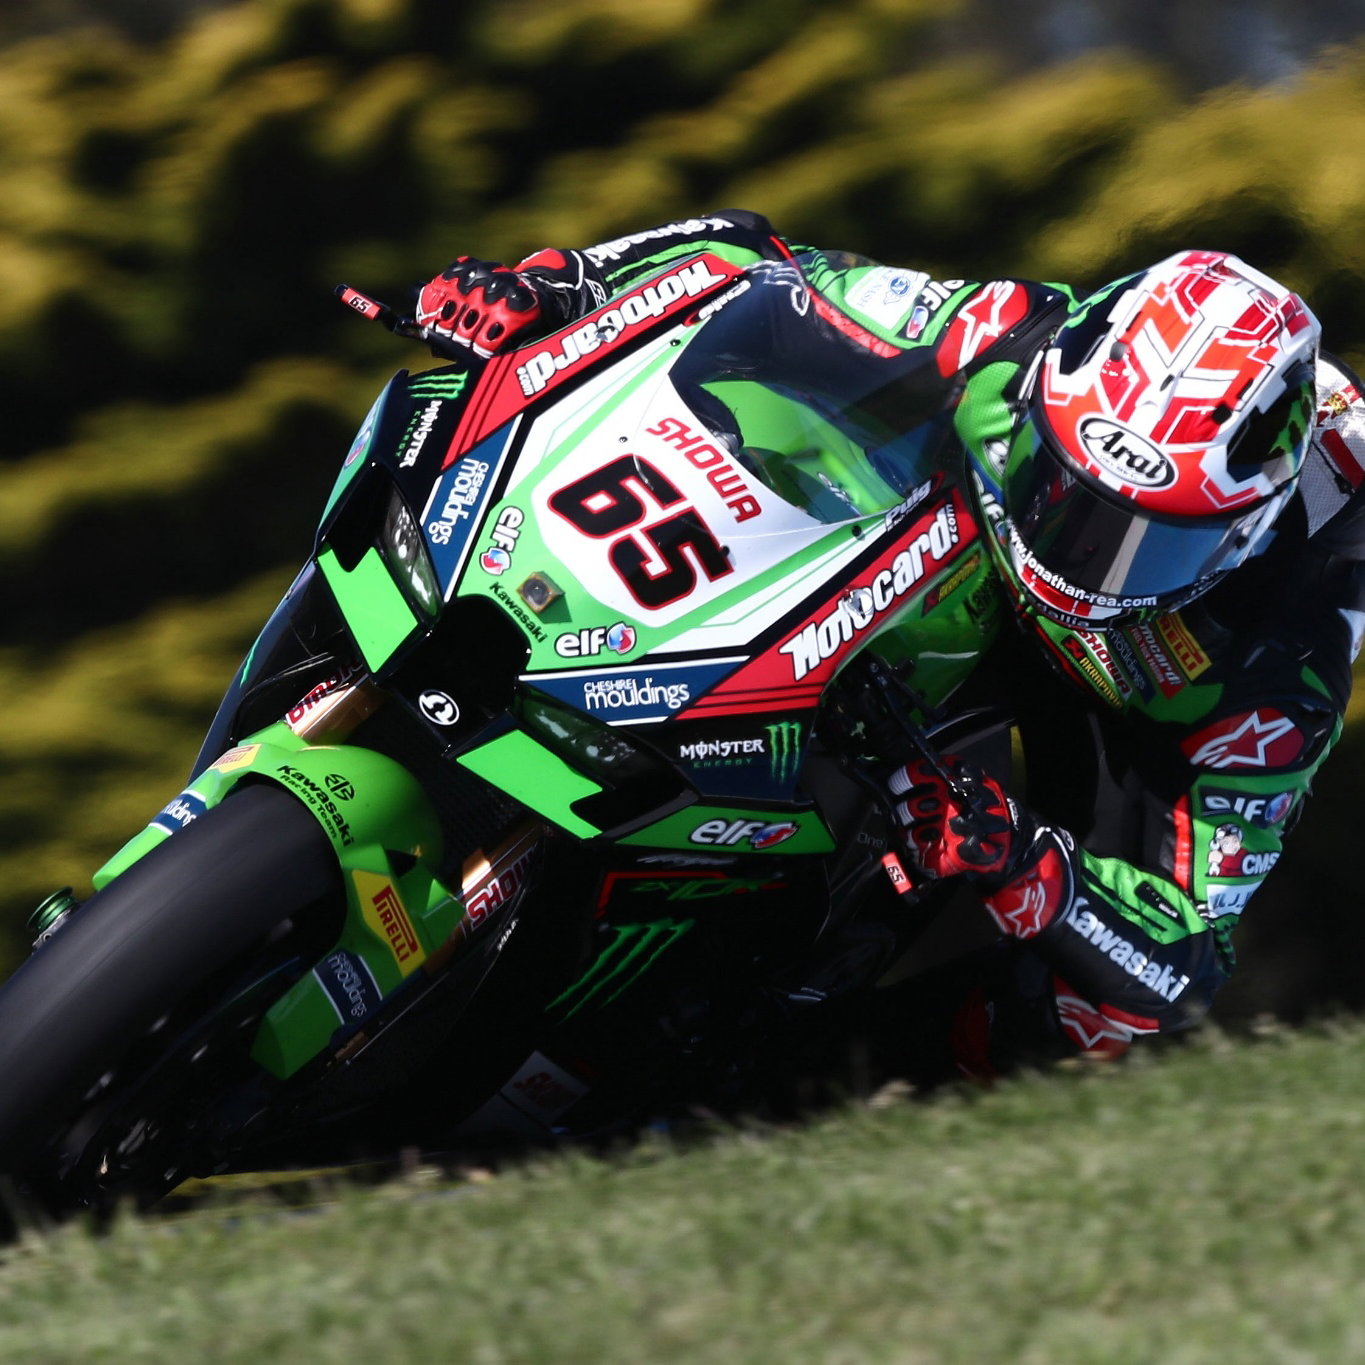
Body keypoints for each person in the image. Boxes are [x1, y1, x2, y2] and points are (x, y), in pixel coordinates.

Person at [414, 210, 1365, 1080]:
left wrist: (1029, 862)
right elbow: (744, 260)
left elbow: (1185, 959)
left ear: (1244, 533)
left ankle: (810, 1094)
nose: (1084, 557)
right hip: (945, 558)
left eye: (1151, 542)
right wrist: (557, 284)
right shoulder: (1005, 335)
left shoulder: (1279, 662)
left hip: (1125, 705)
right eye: (1064, 490)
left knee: (1097, 1015)